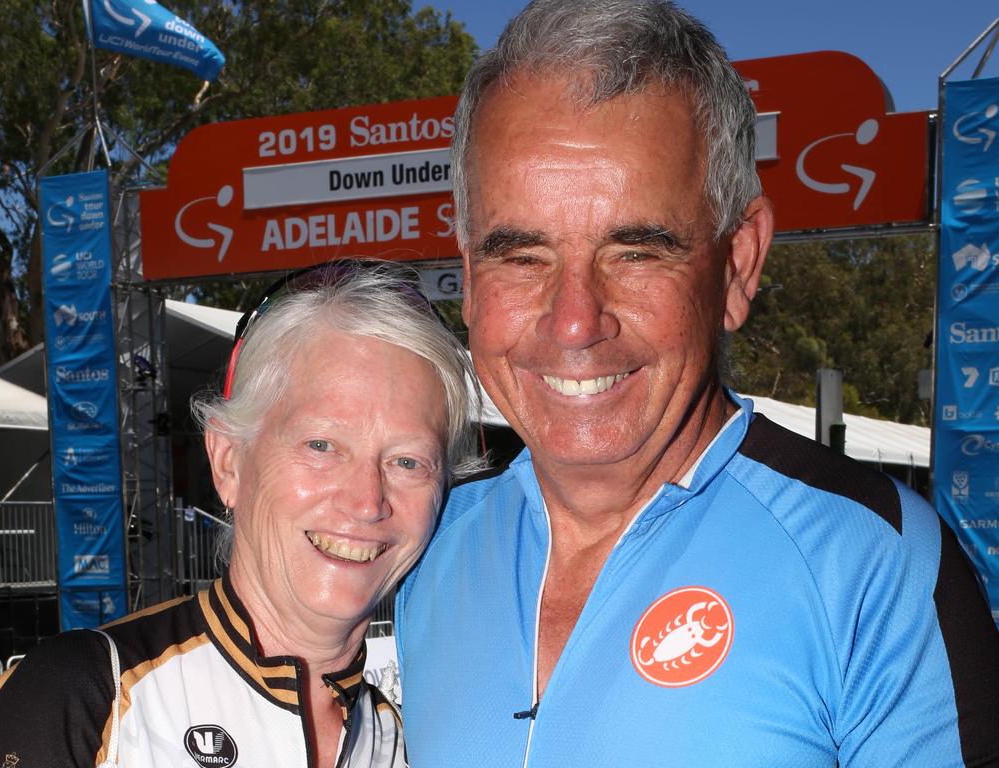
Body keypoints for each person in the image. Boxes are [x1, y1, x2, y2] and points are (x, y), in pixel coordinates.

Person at [394, 2, 999, 766]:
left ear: (738, 263)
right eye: (523, 255)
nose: (575, 322)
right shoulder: (421, 547)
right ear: (472, 274)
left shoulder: (877, 572)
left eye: (637, 252)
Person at [0, 259, 479, 768]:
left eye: (408, 461)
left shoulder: (419, 744)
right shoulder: (88, 698)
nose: (367, 501)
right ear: (228, 461)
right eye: (321, 444)